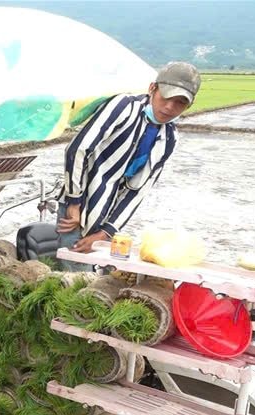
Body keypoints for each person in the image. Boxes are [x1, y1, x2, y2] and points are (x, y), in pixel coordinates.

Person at [57, 61, 202, 270]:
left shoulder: (169, 137)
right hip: (77, 207)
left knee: (100, 279)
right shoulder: (124, 106)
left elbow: (140, 190)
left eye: (180, 102)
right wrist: (73, 202)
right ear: (153, 88)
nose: (170, 107)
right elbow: (78, 149)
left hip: (108, 217)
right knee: (74, 274)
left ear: (189, 105)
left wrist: (106, 232)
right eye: (166, 97)